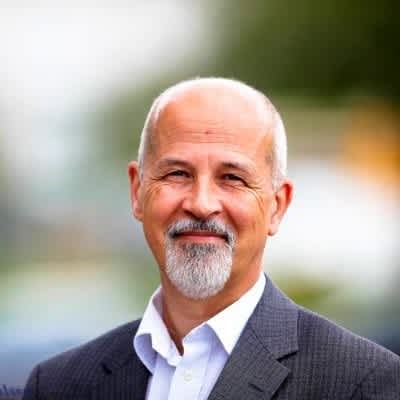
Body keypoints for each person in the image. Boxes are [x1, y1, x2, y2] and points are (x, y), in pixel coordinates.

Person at [23, 78, 400, 399]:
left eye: (232, 178)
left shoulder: (363, 384)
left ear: (277, 206)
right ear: (137, 192)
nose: (201, 204)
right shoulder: (58, 386)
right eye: (177, 174)